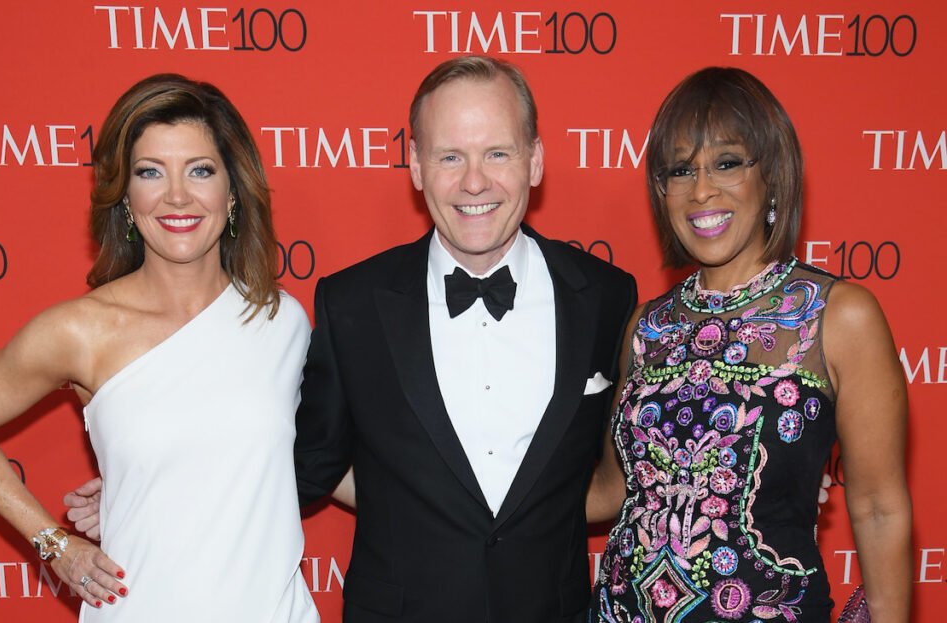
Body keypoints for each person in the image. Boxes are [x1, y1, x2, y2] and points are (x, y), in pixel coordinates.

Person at [0, 74, 320, 623]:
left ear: (233, 192)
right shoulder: (81, 330)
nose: (177, 196)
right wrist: (54, 546)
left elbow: (313, 459)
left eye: (201, 170)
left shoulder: (281, 320)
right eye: (150, 172)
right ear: (126, 196)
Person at [287, 56, 637, 622]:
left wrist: (771, 474)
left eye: (497, 153)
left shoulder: (605, 297)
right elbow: (305, 467)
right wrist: (152, 489)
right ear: (417, 167)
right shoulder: (352, 304)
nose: (474, 181)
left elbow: (641, 457)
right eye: (450, 156)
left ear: (535, 161)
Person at [586, 67, 911, 622]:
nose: (701, 190)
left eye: (728, 163)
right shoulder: (646, 327)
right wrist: (481, 490)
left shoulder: (837, 315)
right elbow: (612, 492)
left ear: (773, 178)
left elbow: (879, 508)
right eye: (680, 170)